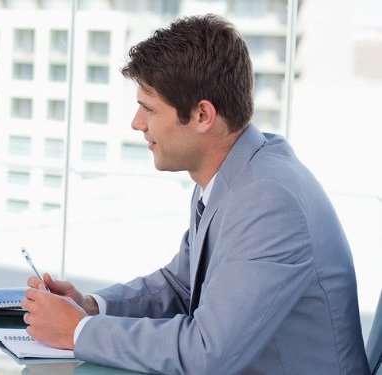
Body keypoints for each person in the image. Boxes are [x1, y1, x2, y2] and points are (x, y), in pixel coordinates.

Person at [21, 14, 369, 375]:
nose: (137, 123)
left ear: (203, 114)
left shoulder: (270, 201)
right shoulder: (234, 174)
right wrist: (91, 307)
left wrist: (77, 331)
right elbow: (182, 285)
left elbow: (206, 352)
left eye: (149, 108)